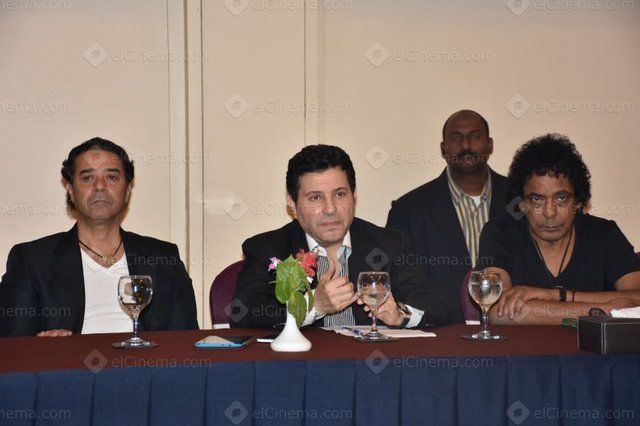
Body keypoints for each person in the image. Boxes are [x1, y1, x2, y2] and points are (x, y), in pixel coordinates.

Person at [231, 144, 450, 328]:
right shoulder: (267, 249)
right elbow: (242, 315)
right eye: (315, 198)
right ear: (292, 203)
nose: (330, 208)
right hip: (302, 365)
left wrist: (400, 314)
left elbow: (438, 311)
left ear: (354, 196)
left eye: (340, 194)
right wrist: (313, 306)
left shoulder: (388, 244)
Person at [0, 137, 198, 337]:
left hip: (145, 358)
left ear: (127, 191)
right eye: (87, 178)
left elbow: (186, 342)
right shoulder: (31, 261)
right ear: (71, 191)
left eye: (111, 177)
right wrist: (42, 347)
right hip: (69, 358)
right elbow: (11, 346)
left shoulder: (163, 258)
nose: (100, 186)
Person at [477, 134, 640, 325]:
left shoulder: (604, 233)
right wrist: (605, 310)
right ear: (521, 203)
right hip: (525, 345)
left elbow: (637, 301)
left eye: (561, 198)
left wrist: (555, 295)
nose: (550, 212)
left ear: (578, 202)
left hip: (593, 346)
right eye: (537, 199)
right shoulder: (499, 232)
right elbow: (498, 311)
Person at [386, 110, 508, 323]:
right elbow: (399, 281)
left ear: (489, 145)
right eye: (456, 138)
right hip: (440, 332)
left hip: (512, 331)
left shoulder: (521, 200)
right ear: (443, 148)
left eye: (474, 136)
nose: (466, 145)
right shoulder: (408, 210)